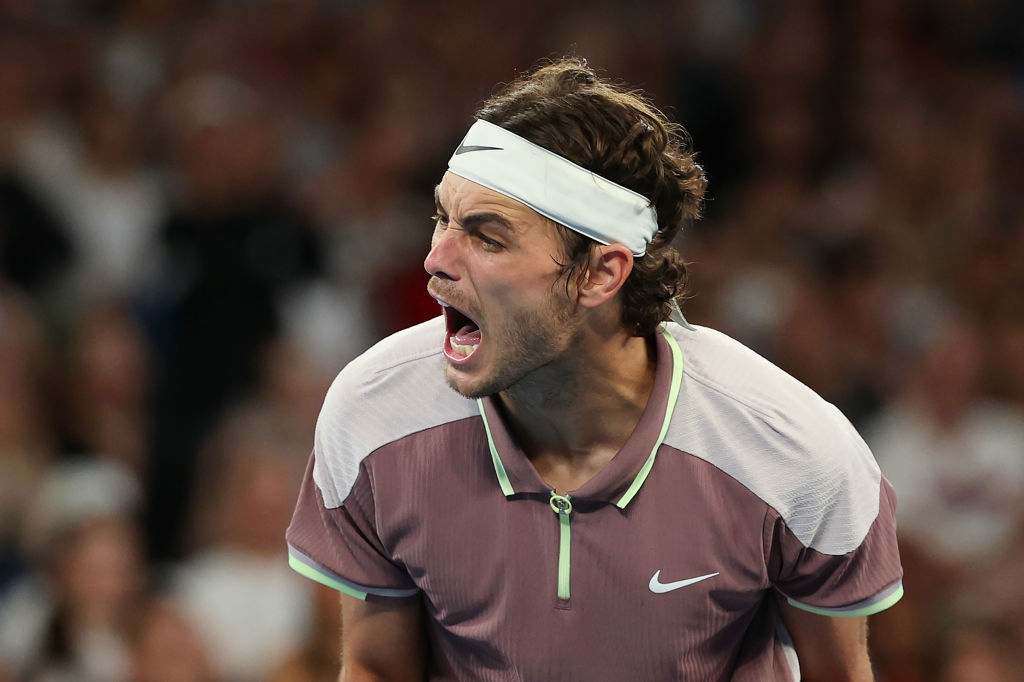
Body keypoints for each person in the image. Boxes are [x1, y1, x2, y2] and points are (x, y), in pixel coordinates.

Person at [286, 58, 903, 681]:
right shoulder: (371, 414)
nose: (434, 259)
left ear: (600, 273)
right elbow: (376, 668)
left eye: (488, 237)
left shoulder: (795, 452)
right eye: (443, 218)